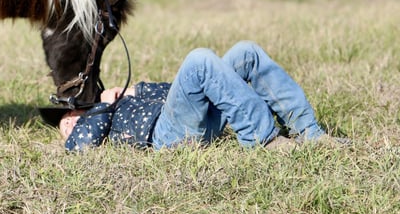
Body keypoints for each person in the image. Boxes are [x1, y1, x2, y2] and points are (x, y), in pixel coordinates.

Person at [54, 41, 346, 152]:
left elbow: (176, 90)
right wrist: (105, 106)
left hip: (191, 116)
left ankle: (307, 131)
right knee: (198, 59)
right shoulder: (90, 129)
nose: (67, 121)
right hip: (166, 135)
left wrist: (132, 92)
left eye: (69, 115)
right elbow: (82, 146)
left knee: (246, 52)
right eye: (64, 125)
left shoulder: (118, 100)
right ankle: (262, 139)